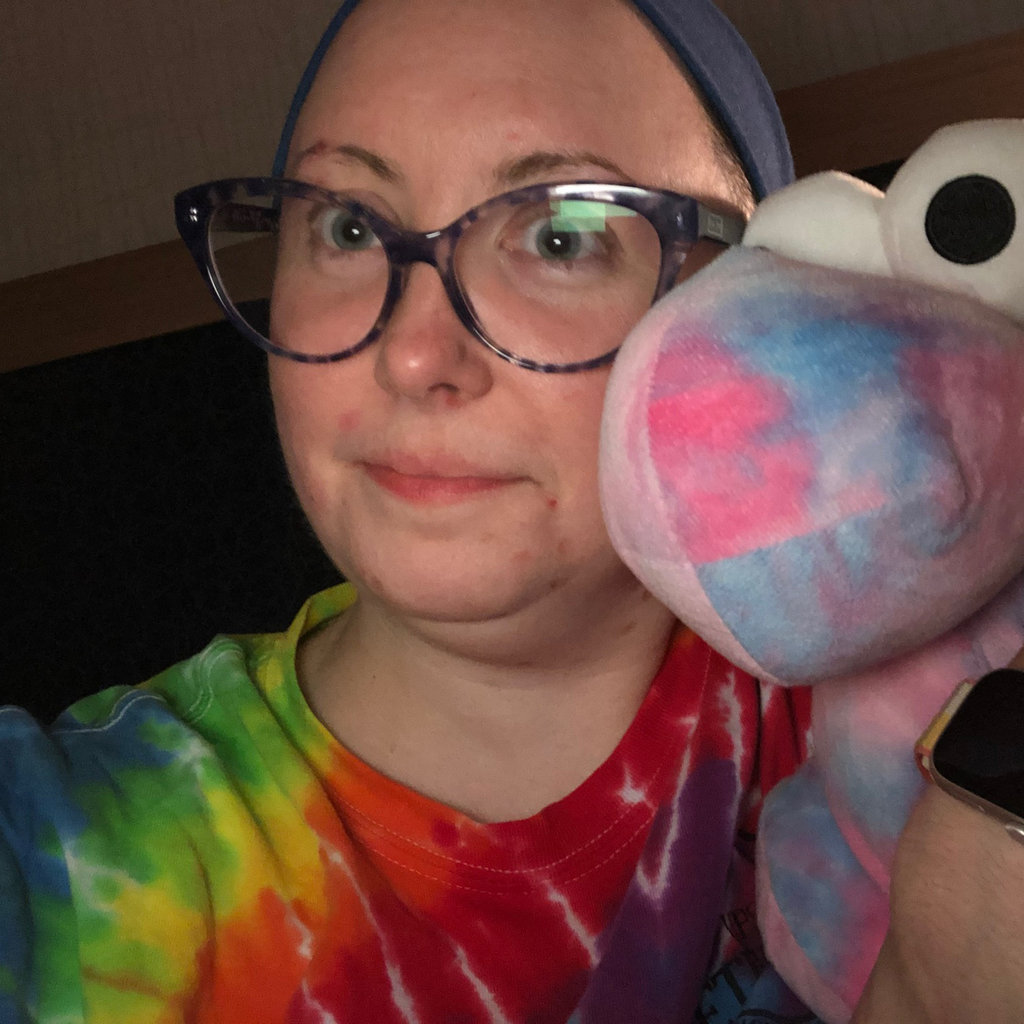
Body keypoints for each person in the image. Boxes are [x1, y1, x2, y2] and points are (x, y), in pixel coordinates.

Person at [3, 1, 1023, 1022]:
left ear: (761, 298)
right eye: (348, 226)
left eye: (561, 235)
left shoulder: (939, 700)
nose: (414, 356)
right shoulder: (58, 852)